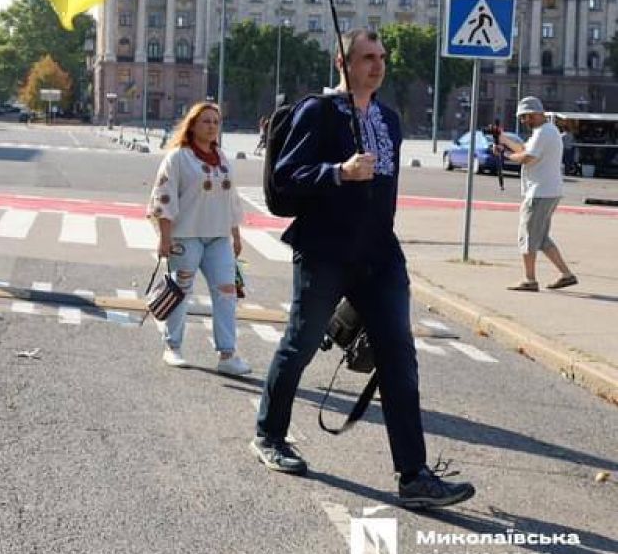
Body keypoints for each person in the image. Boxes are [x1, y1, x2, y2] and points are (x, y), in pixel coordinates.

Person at [254, 29, 475, 508]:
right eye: (367, 57)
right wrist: (338, 171)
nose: (378, 65)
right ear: (343, 61)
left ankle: (413, 475)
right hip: (325, 251)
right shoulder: (319, 112)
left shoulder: (389, 119)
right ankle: (269, 435)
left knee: (399, 356)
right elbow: (285, 180)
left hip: (380, 254)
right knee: (301, 343)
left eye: (382, 57)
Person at [147, 102, 251, 375]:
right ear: (192, 125)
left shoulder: (222, 158)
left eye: (216, 122)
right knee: (180, 293)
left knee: (227, 294)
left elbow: (231, 199)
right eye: (206, 121)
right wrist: (164, 237)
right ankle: (173, 346)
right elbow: (163, 198)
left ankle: (227, 354)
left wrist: (236, 235)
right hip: (186, 236)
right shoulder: (178, 158)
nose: (212, 126)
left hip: (218, 238)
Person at [496, 97, 577, 291]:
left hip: (539, 192)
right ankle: (566, 274)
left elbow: (527, 157)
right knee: (541, 238)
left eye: (524, 118)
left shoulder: (543, 133)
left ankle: (529, 280)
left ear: (533, 114)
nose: (523, 122)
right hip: (549, 190)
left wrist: (505, 155)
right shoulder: (547, 131)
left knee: (528, 236)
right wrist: (504, 141)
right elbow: (525, 149)